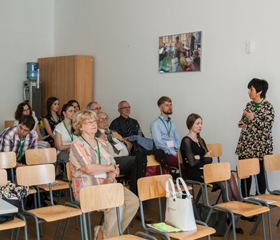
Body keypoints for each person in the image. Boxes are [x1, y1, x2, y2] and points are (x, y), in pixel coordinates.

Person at [69, 110, 139, 239]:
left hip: (107, 184)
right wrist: (110, 168)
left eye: (94, 121)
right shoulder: (77, 144)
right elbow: (89, 169)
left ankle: (105, 233)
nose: (93, 124)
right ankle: (109, 236)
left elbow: (114, 166)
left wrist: (111, 179)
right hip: (87, 189)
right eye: (89, 122)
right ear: (80, 126)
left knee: (133, 201)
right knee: (115, 205)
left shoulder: (102, 143)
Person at [235, 78, 274, 197]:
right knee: (244, 177)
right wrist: (242, 123)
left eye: (251, 89)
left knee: (260, 176)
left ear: (259, 91)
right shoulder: (249, 105)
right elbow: (244, 120)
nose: (248, 92)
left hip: (260, 148)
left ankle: (259, 204)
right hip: (246, 146)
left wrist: (254, 119)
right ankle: (245, 201)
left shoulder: (268, 107)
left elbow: (267, 128)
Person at [96, 112, 135, 180]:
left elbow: (124, 146)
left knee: (139, 163)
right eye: (102, 119)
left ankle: (135, 184)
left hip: (125, 158)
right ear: (96, 122)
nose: (105, 121)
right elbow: (92, 149)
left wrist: (121, 139)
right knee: (138, 160)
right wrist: (99, 140)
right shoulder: (95, 134)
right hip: (112, 161)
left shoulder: (113, 131)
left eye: (106, 119)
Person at [0, 115, 37, 179]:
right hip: (4, 161)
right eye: (20, 127)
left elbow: (33, 155)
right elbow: (7, 160)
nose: (21, 131)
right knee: (10, 178)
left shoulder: (33, 135)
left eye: (25, 130)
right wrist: (22, 166)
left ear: (30, 131)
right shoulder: (8, 134)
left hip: (18, 160)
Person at [150, 96, 181, 170]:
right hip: (165, 154)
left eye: (170, 105)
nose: (170, 107)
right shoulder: (155, 124)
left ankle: (189, 180)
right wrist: (174, 153)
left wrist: (179, 152)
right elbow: (159, 144)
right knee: (183, 164)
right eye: (167, 105)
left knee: (189, 161)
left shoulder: (172, 124)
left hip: (176, 152)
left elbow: (177, 139)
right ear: (160, 108)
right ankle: (185, 181)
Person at [180, 113, 212, 182]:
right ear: (191, 125)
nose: (200, 126)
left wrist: (198, 157)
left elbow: (209, 160)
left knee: (228, 176)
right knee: (223, 180)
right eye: (197, 124)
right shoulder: (186, 140)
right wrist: (203, 158)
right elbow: (192, 163)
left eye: (201, 123)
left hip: (204, 169)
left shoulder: (201, 140)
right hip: (194, 172)